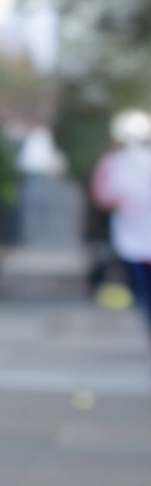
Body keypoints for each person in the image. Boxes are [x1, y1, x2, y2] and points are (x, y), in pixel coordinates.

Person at [91, 109, 151, 337]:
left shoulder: (113, 162)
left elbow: (102, 196)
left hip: (134, 237)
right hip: (132, 238)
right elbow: (102, 196)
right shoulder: (113, 162)